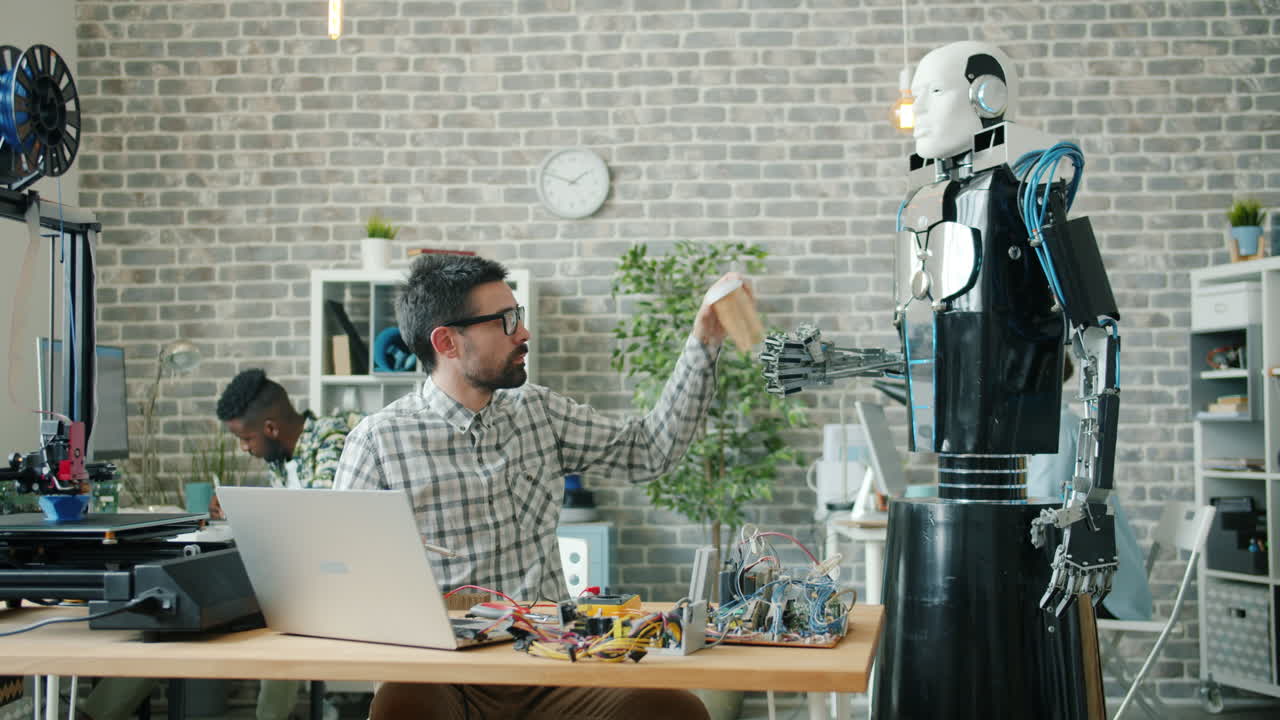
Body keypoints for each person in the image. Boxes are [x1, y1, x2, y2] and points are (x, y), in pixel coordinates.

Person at [333, 253, 734, 720]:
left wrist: (705, 339)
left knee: (673, 711)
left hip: (546, 664)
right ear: (446, 342)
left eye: (518, 316)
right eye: (505, 321)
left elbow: (648, 450)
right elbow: (342, 580)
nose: (523, 333)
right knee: (399, 707)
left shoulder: (538, 412)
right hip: (441, 674)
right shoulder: (378, 441)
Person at [79, 371, 363, 720]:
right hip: (287, 577)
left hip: (325, 582)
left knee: (204, 611)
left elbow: (318, 525)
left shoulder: (331, 442)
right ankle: (96, 714)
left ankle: (97, 714)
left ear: (271, 428)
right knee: (178, 608)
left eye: (246, 438)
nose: (245, 448)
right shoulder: (283, 456)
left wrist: (250, 517)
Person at [1027, 355, 1153, 621]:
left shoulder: (1058, 432)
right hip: (1102, 581)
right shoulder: (1064, 425)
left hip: (1100, 590)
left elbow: (1041, 509)